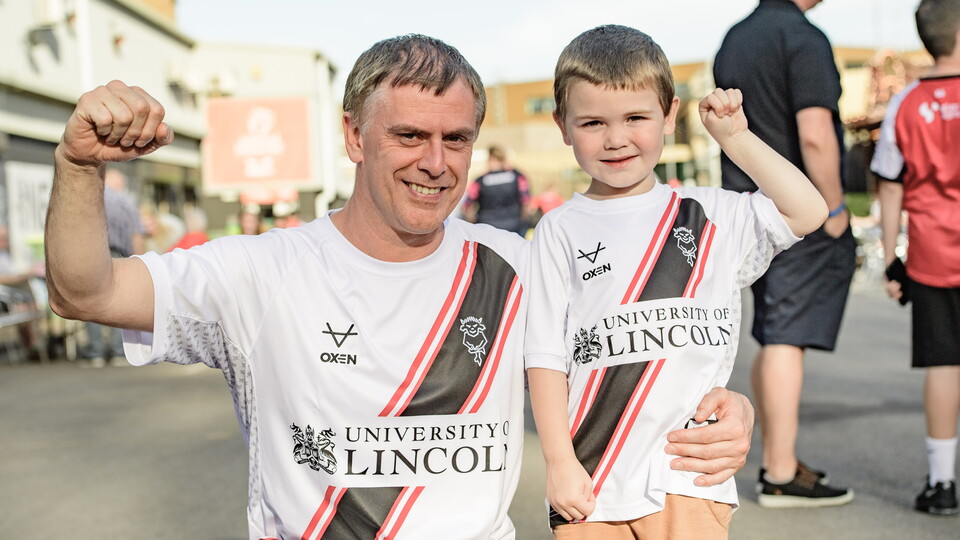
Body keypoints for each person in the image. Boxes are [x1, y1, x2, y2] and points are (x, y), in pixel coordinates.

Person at [46, 36, 756, 539]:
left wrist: (725, 408)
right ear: (354, 136)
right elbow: (87, 293)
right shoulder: (262, 272)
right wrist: (79, 167)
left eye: (457, 139)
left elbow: (641, 346)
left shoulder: (520, 265)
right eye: (410, 136)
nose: (436, 163)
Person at [525, 25, 827, 538]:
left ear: (669, 115)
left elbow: (809, 210)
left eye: (636, 118)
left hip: (688, 470)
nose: (616, 139)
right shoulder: (558, 229)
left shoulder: (711, 213)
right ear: (563, 125)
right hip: (592, 478)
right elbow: (545, 355)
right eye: (593, 122)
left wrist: (736, 139)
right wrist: (558, 462)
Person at [714, 0, 858, 508]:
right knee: (786, 337)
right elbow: (815, 133)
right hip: (797, 207)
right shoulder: (803, 38)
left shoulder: (736, 37)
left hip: (750, 209)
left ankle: (779, 458)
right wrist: (833, 207)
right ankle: (778, 472)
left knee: (773, 330)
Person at [872, 0, 960, 516]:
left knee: (944, 365)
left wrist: (891, 259)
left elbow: (890, 187)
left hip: (932, 255)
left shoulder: (905, 103)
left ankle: (943, 484)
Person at [80, 168, 143, 368]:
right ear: (119, 184)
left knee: (91, 302)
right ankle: (118, 351)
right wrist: (138, 262)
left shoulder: (89, 198)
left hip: (92, 254)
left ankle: (96, 353)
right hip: (119, 256)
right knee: (118, 301)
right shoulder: (126, 202)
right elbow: (137, 234)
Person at [463, 145, 532, 236]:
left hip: (487, 228)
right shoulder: (517, 176)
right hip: (514, 226)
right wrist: (523, 221)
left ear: (490, 159)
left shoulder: (480, 180)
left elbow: (467, 204)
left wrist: (473, 223)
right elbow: (526, 201)